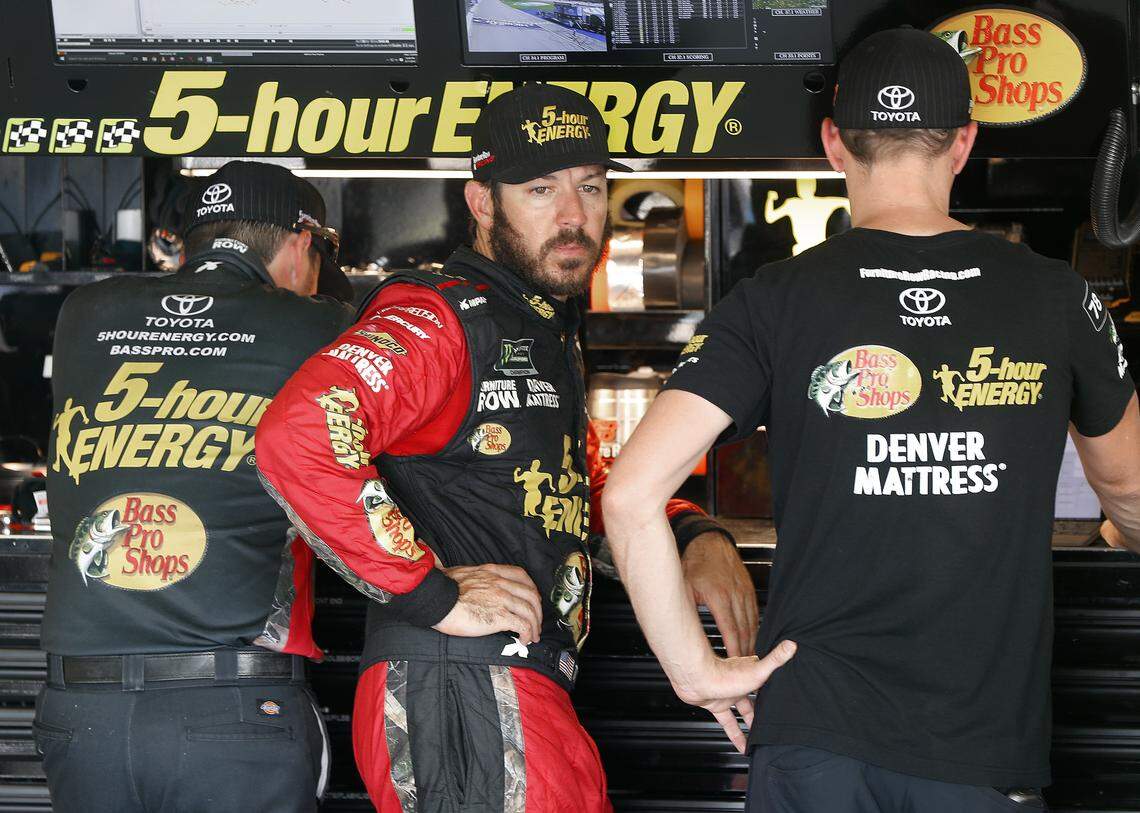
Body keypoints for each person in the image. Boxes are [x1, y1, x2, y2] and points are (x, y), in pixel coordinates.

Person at [602, 28, 1140, 813]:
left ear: (834, 143)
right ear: (962, 144)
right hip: (979, 741)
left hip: (811, 730)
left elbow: (628, 496)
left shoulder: (774, 299)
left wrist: (694, 669)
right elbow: (1129, 495)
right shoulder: (1059, 297)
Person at [255, 82, 758, 812]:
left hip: (511, 691)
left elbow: (569, 481)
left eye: (590, 186)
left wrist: (689, 529)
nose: (573, 215)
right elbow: (298, 434)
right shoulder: (439, 313)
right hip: (462, 690)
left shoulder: (534, 322)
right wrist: (431, 590)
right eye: (540, 188)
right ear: (483, 203)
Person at [38, 160, 354, 812]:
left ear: (189, 240)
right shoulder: (322, 325)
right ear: (299, 242)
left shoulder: (84, 312)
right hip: (233, 708)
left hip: (81, 713)